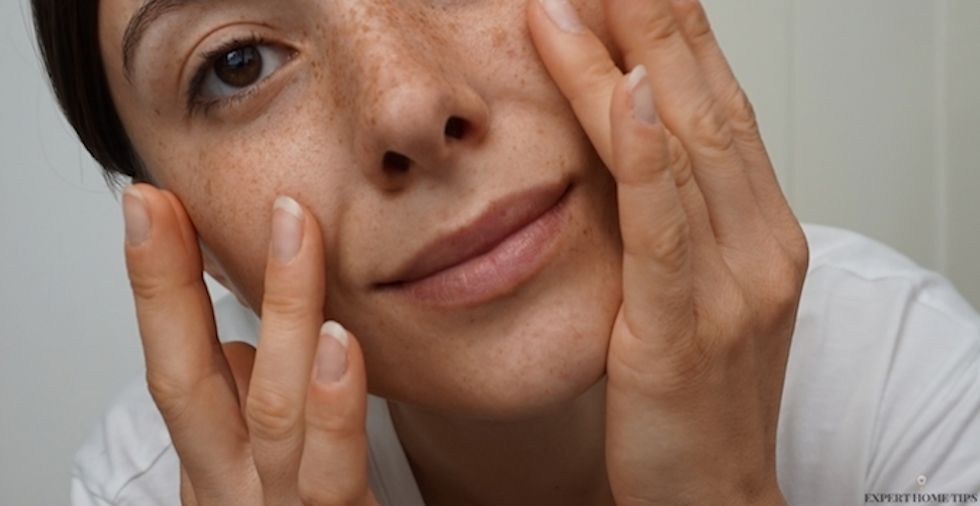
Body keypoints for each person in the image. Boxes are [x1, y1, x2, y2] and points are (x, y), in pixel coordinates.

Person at [32, 0, 980, 504]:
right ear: (185, 232)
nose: (408, 105)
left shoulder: (911, 392)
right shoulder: (155, 489)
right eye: (237, 63)